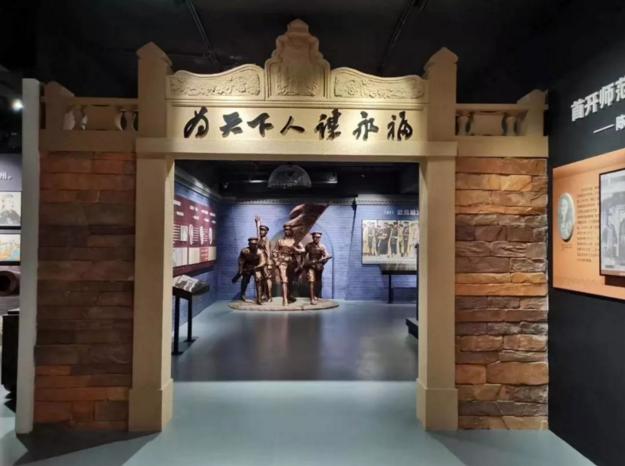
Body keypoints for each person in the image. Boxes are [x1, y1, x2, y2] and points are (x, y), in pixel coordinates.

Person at [275, 224, 305, 306]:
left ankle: (289, 296)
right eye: (285, 229)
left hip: (292, 262)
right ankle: (284, 299)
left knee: (290, 280)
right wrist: (276, 260)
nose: (286, 231)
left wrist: (295, 249)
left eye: (288, 229)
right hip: (282, 261)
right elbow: (275, 251)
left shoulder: (295, 241)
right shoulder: (280, 241)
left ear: (291, 231)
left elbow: (303, 250)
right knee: (284, 280)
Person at [304, 232, 332, 304]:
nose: (317, 239)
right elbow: (303, 255)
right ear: (313, 237)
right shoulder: (308, 245)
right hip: (311, 266)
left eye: (318, 237)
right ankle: (312, 298)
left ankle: (316, 295)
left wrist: (322, 263)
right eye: (315, 237)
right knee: (311, 281)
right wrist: (305, 263)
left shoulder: (322, 246)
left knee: (318, 282)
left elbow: (326, 256)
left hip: (318, 267)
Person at [236, 237, 265, 305]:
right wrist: (240, 270)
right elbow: (241, 261)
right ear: (249, 244)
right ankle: (242, 295)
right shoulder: (244, 251)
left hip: (256, 267)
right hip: (247, 268)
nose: (253, 245)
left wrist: (257, 266)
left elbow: (263, 261)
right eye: (252, 244)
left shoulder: (259, 252)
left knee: (259, 280)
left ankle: (259, 298)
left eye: (255, 244)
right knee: (245, 281)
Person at [255, 215, 274, 302]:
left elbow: (268, 252)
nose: (261, 232)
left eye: (263, 230)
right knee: (261, 279)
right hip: (259, 261)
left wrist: (269, 264)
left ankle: (270, 296)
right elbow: (257, 232)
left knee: (267, 278)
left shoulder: (267, 240)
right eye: (261, 230)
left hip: (265, 262)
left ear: (266, 232)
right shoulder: (259, 239)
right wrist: (258, 223)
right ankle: (263, 295)